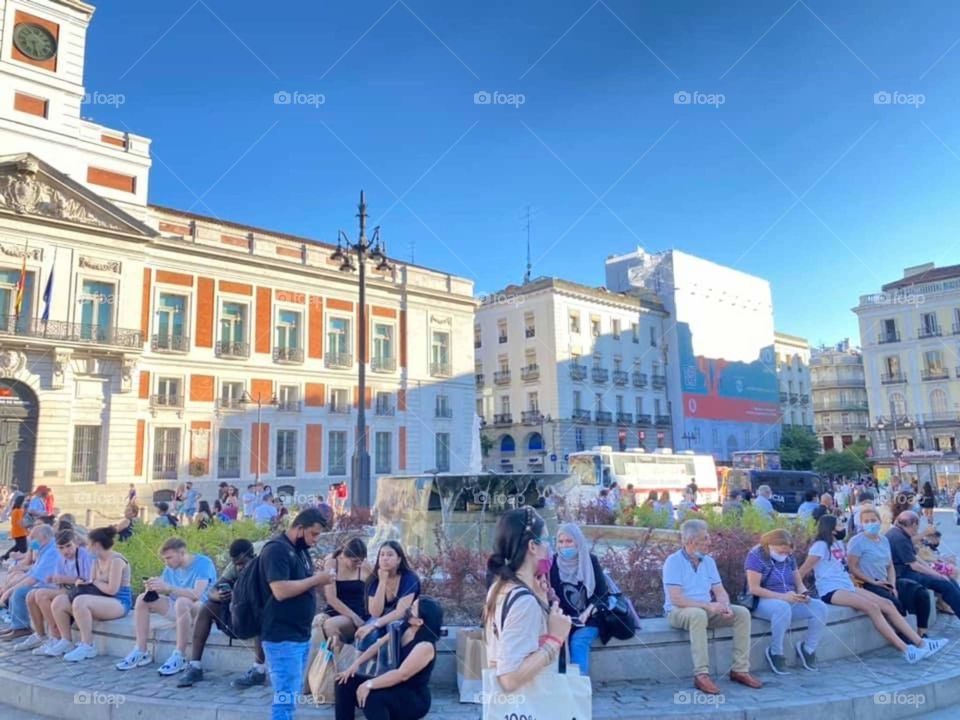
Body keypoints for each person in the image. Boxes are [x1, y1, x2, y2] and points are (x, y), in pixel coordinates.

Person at [798, 514, 942, 663]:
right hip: (830, 590)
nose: (843, 527)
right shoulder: (820, 546)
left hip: (846, 585)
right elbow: (802, 571)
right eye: (839, 524)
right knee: (872, 607)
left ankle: (921, 643)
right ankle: (906, 649)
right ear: (831, 529)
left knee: (887, 604)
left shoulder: (838, 544)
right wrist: (801, 591)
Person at [663, 519, 762, 694]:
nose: (710, 542)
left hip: (705, 609)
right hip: (679, 611)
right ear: (692, 541)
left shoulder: (708, 561)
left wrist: (725, 605)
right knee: (697, 615)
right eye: (705, 538)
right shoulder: (673, 562)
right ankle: (701, 675)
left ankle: (740, 669)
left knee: (742, 613)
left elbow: (720, 590)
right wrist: (708, 606)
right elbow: (676, 598)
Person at [483, 506, 572, 694]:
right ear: (532, 546)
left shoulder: (499, 588)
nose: (550, 547)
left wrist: (542, 602)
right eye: (547, 540)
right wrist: (555, 640)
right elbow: (509, 678)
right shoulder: (523, 601)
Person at [260, 507, 337, 720]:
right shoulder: (277, 550)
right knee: (285, 698)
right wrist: (317, 579)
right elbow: (280, 590)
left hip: (299, 634)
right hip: (282, 635)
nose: (315, 540)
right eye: (313, 534)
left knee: (290, 696)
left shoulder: (300, 551)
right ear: (299, 528)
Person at [115, 537, 217, 674]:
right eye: (164, 559)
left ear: (182, 553)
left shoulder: (203, 563)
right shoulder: (170, 567)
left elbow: (196, 594)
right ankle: (141, 650)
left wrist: (168, 588)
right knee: (142, 599)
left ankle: (180, 655)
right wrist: (153, 586)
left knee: (182, 601)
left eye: (169, 558)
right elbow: (165, 586)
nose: (166, 562)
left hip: (201, 610)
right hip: (178, 608)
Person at [178, 539, 267, 688]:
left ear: (252, 556)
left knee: (262, 613)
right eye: (236, 564)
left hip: (255, 615)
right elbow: (212, 590)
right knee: (207, 607)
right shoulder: (233, 568)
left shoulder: (261, 567)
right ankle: (195, 666)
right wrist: (218, 596)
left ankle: (258, 670)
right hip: (235, 614)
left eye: (242, 563)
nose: (239, 567)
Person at [335, 597, 443, 720]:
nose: (408, 609)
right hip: (393, 685)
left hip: (413, 697)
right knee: (344, 682)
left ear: (419, 622)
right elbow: (378, 645)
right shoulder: (404, 627)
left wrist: (369, 684)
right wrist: (355, 665)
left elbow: (401, 675)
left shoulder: (425, 646)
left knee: (373, 696)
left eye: (412, 609)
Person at [745, 529, 826, 674]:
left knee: (819, 607)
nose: (784, 555)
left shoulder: (789, 558)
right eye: (781, 552)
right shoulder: (756, 556)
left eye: (787, 552)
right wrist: (783, 597)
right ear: (770, 544)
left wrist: (804, 594)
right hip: (763, 601)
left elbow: (798, 583)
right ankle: (776, 652)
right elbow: (754, 589)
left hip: (788, 598)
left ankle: (808, 649)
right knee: (782, 607)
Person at [847, 506, 934, 639]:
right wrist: (874, 582)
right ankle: (905, 637)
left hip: (887, 580)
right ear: (861, 523)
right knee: (894, 603)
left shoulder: (884, 540)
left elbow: (890, 565)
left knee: (920, 592)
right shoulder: (856, 542)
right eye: (866, 521)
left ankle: (922, 632)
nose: (870, 523)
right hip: (868, 583)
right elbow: (853, 567)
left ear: (879, 521)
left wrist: (892, 585)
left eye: (873, 520)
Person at [49, 527, 134, 660]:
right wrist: (87, 583)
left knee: (80, 602)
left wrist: (94, 582)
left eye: (89, 544)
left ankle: (88, 645)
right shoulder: (96, 561)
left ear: (97, 545)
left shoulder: (116, 561)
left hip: (119, 602)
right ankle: (65, 640)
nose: (86, 548)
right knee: (59, 601)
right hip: (102, 598)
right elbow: (93, 582)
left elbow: (112, 590)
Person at [12, 530, 94, 652]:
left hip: (82, 591)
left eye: (68, 546)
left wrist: (64, 579)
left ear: (75, 543)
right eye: (61, 548)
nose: (66, 551)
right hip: (67, 589)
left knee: (41, 594)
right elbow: (60, 581)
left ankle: (55, 634)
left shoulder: (83, 555)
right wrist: (54, 579)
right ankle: (40, 635)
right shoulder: (60, 558)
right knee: (30, 595)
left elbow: (88, 580)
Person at [548, 522, 607, 675]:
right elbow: (550, 594)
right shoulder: (553, 563)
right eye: (560, 542)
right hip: (563, 617)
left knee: (578, 642)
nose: (564, 546)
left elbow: (602, 593)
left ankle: (579, 688)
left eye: (569, 541)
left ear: (578, 542)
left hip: (589, 617)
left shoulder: (590, 561)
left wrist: (587, 612)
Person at [887, 511, 960, 617]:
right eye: (917, 526)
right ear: (913, 524)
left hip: (906, 570)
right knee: (945, 584)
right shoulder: (899, 538)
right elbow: (914, 565)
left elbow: (915, 557)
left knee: (949, 580)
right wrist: (938, 575)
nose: (917, 530)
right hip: (902, 574)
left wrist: (935, 572)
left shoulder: (900, 533)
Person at [355, 541, 421, 649]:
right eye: (382, 555)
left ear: (399, 559)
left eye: (390, 555)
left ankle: (387, 665)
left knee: (391, 634)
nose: (385, 558)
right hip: (379, 618)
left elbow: (401, 612)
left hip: (404, 618)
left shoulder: (409, 578)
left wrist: (374, 625)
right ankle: (360, 665)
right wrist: (382, 581)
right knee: (367, 637)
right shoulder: (373, 579)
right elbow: (375, 613)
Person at [0, 525, 60, 641]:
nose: (30, 540)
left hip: (51, 585)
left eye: (33, 537)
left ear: (43, 536)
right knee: (16, 587)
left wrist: (8, 592)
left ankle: (22, 627)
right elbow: (32, 572)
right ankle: (15, 626)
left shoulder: (51, 551)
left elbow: (34, 578)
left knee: (20, 592)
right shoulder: (44, 549)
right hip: (42, 583)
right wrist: (10, 588)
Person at [322, 538, 373, 643]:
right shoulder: (332, 564)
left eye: (361, 560)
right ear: (343, 556)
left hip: (356, 612)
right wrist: (353, 617)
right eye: (355, 561)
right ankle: (315, 658)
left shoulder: (366, 566)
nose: (359, 564)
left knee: (330, 625)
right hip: (335, 611)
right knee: (317, 622)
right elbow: (331, 598)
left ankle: (336, 657)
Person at [1, 494, 28, 560]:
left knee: (17, 547)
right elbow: (20, 523)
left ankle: (4, 557)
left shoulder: (16, 510)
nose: (26, 502)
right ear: (21, 502)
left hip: (17, 532)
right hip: (19, 532)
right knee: (23, 549)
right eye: (25, 500)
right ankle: (6, 558)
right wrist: (27, 528)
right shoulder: (18, 511)